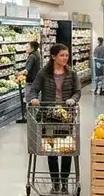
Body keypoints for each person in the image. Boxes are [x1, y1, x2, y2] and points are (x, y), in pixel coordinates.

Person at [28, 44, 82, 188]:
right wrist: (34, 99)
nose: (66, 58)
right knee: (51, 149)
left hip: (66, 117)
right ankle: (55, 181)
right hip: (48, 117)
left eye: (67, 55)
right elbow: (33, 90)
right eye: (62, 55)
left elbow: (77, 91)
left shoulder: (72, 74)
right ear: (53, 57)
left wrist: (73, 99)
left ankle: (64, 181)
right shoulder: (43, 73)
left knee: (67, 149)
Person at [17, 41, 43, 123]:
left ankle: (30, 118)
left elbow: (26, 71)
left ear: (32, 48)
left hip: (31, 82)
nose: (26, 48)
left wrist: (18, 74)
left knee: (29, 100)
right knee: (35, 99)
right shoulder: (37, 54)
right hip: (37, 81)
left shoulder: (31, 56)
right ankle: (37, 116)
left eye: (27, 46)